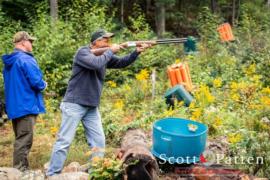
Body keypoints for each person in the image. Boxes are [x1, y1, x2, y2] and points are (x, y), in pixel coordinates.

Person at [46, 29, 151, 176]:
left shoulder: (103, 55)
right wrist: (111, 51)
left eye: (109, 40)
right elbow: (95, 64)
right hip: (74, 104)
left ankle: (96, 172)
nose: (108, 42)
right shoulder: (83, 52)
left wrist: (136, 52)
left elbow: (122, 62)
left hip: (91, 106)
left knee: (98, 142)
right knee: (64, 141)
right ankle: (52, 173)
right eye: (105, 40)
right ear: (96, 42)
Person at [1, 31, 47, 171]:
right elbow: (36, 82)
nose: (32, 44)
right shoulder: (26, 59)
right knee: (24, 140)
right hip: (27, 105)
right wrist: (44, 84)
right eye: (30, 41)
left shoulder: (10, 61)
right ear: (22, 42)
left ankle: (21, 169)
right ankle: (20, 170)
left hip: (14, 106)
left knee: (20, 138)